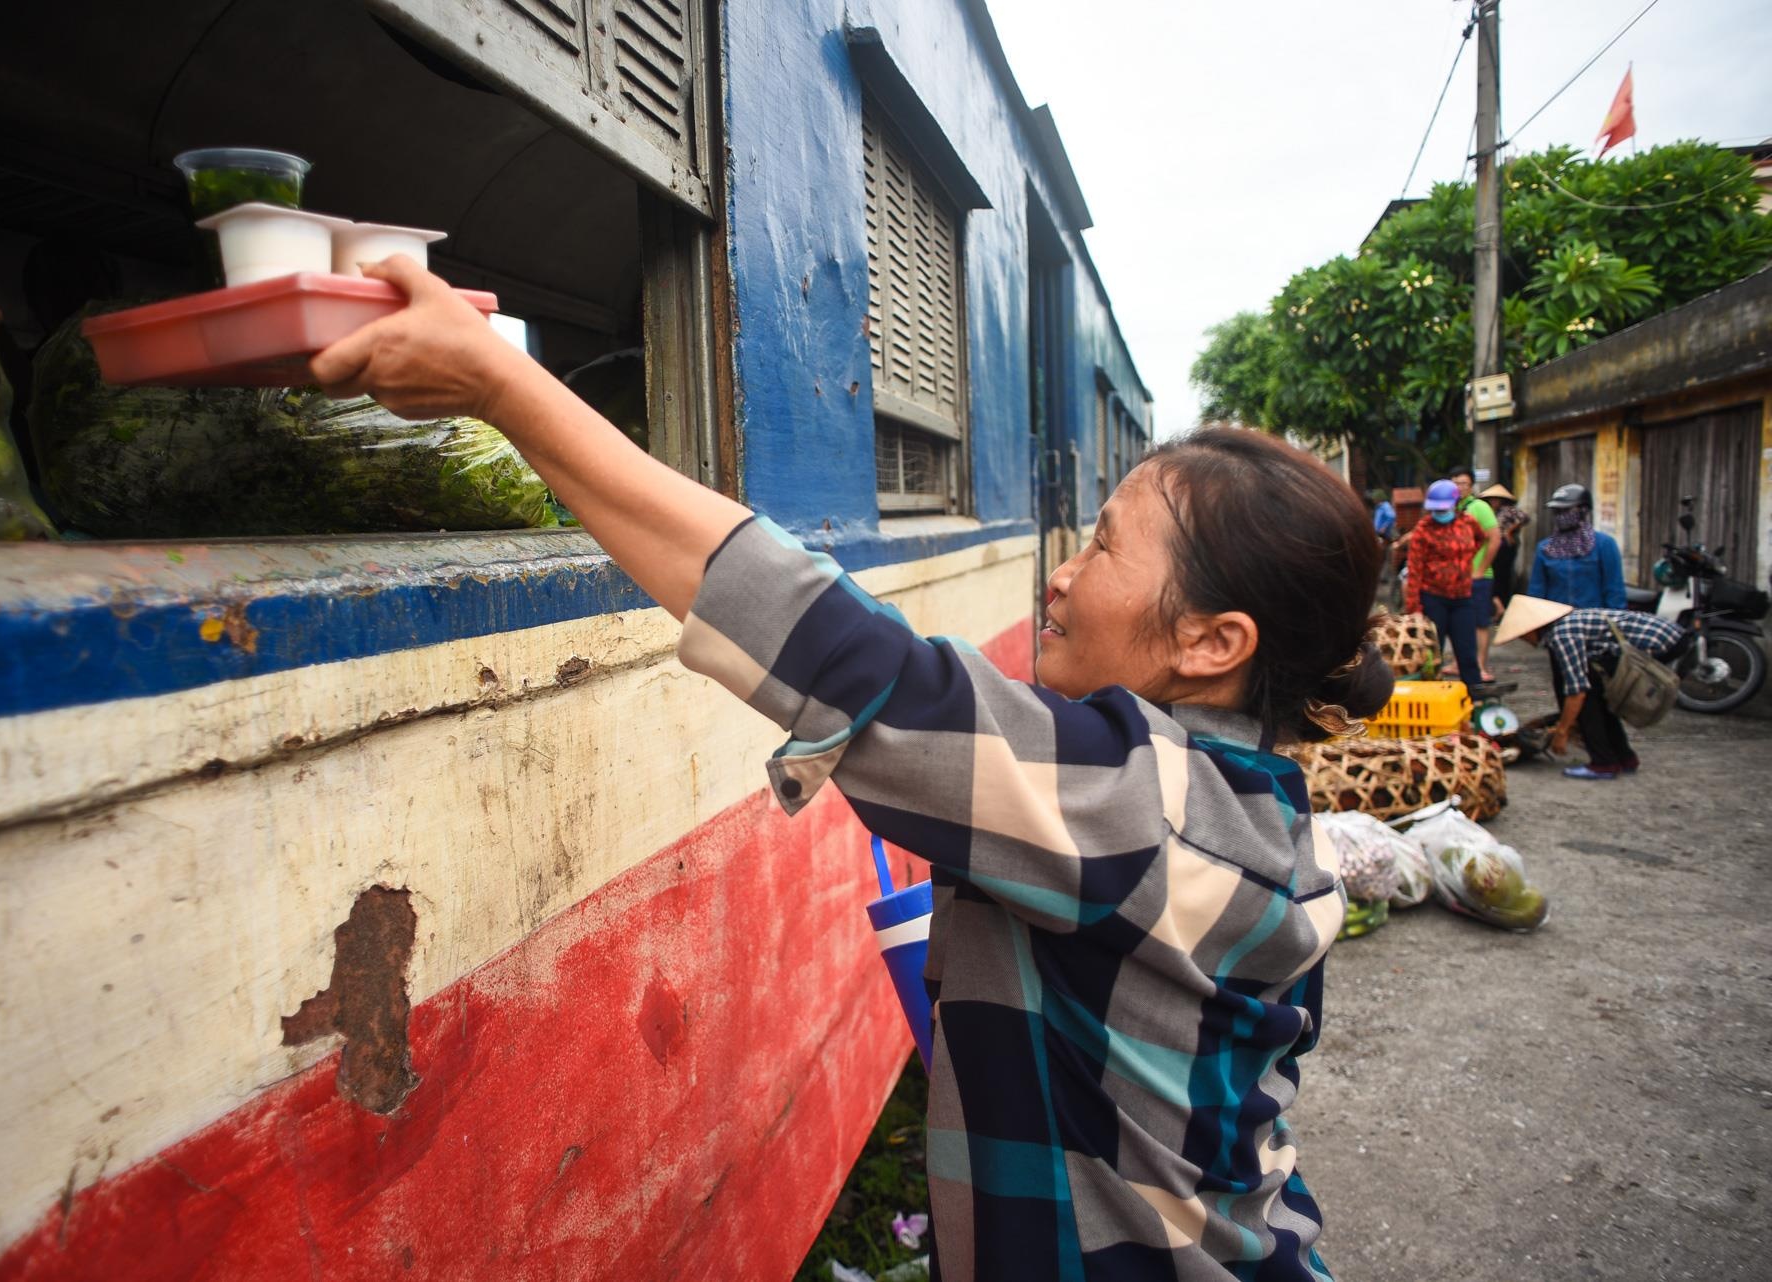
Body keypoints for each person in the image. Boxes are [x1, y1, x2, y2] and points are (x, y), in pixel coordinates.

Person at [309, 257, 1395, 1281]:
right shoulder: (1258, 806)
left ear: (1212, 644)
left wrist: (503, 383)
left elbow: (844, 653)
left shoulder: (1138, 801)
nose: (1062, 577)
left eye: (1105, 546)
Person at [1496, 594, 1684, 779]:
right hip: (1670, 636)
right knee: (1599, 694)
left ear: (1531, 629)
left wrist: (1562, 730)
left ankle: (1604, 763)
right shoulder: (1568, 623)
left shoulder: (1563, 634)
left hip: (1661, 643)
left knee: (1588, 701)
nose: (1525, 641)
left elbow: (1577, 692)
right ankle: (1623, 757)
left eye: (1522, 636)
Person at [1405, 479, 1485, 693]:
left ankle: (1475, 701)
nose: (1440, 513)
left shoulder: (1468, 523)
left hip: (1463, 599)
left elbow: (1480, 539)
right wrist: (1414, 608)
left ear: (1456, 504)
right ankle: (1430, 699)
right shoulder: (1423, 529)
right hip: (1433, 598)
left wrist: (1463, 562)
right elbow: (1414, 569)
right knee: (1432, 654)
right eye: (1435, 510)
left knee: (1467, 653)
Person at [1528, 483, 1626, 608]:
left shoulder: (1604, 544)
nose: (1560, 516)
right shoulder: (1545, 548)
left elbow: (1614, 590)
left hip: (1593, 621)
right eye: (1557, 511)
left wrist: (1612, 623)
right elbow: (1536, 592)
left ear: (1583, 510)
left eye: (1566, 510)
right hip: (1555, 622)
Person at [1449, 466, 1502, 680]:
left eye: (1463, 483)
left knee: (1480, 622)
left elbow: (1495, 538)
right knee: (1459, 622)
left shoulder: (1479, 507)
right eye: (1455, 483)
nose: (1459, 488)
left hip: (1478, 577)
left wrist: (1480, 569)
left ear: (1471, 486)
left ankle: (1480, 665)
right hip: (1457, 578)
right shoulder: (1451, 508)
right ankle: (1457, 662)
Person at [1477, 482, 1529, 610]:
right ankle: (1497, 604)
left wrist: (1509, 531)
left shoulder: (1508, 509)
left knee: (1502, 575)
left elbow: (1524, 518)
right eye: (1492, 499)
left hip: (1505, 546)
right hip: (1492, 545)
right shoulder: (1489, 511)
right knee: (1494, 575)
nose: (1494, 501)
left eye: (1496, 499)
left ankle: (1503, 603)